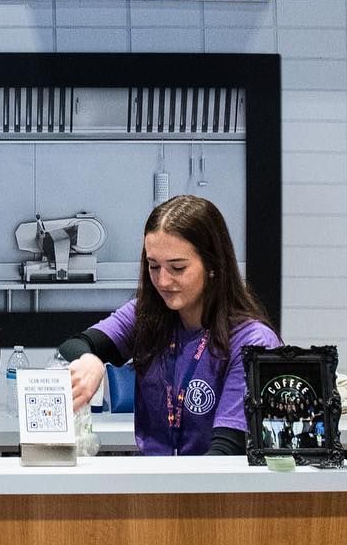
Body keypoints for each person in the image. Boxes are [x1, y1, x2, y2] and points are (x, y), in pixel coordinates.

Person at [55, 195, 279, 456]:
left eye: (177, 268)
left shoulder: (252, 341)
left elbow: (227, 452)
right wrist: (90, 359)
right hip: (158, 481)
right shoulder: (147, 314)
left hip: (217, 488)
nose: (162, 281)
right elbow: (75, 344)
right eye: (153, 266)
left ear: (213, 266)